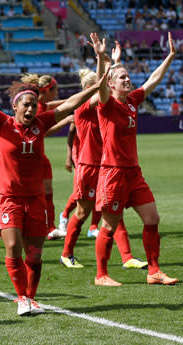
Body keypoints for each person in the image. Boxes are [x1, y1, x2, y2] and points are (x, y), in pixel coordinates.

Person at [0, 56, 106, 316]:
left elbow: (73, 104)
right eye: (26, 106)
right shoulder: (1, 123)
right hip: (7, 197)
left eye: (33, 106)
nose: (30, 110)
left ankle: (31, 298)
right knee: (12, 246)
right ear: (15, 107)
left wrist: (97, 86)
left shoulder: (41, 124)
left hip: (35, 199)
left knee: (35, 255)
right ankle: (21, 298)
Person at [94, 32, 178, 286]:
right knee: (108, 225)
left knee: (152, 219)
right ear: (111, 84)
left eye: (128, 76)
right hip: (113, 173)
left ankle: (154, 272)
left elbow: (153, 80)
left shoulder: (131, 101)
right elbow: (99, 84)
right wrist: (102, 59)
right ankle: (101, 275)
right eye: (122, 78)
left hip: (133, 173)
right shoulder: (106, 104)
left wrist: (170, 57)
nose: (128, 80)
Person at [60, 35, 147, 270]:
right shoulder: (85, 107)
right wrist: (105, 61)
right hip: (89, 166)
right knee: (83, 211)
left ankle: (127, 257)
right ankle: (67, 253)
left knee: (113, 212)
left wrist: (114, 62)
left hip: (107, 166)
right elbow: (104, 86)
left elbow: (109, 85)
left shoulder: (110, 104)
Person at [19, 73, 66, 240]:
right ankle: (47, 226)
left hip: (38, 156)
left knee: (46, 191)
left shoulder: (42, 104)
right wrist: (66, 121)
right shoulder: (36, 107)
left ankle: (49, 227)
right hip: (35, 157)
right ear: (47, 91)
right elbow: (42, 132)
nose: (58, 92)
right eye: (56, 89)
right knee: (41, 193)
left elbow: (59, 104)